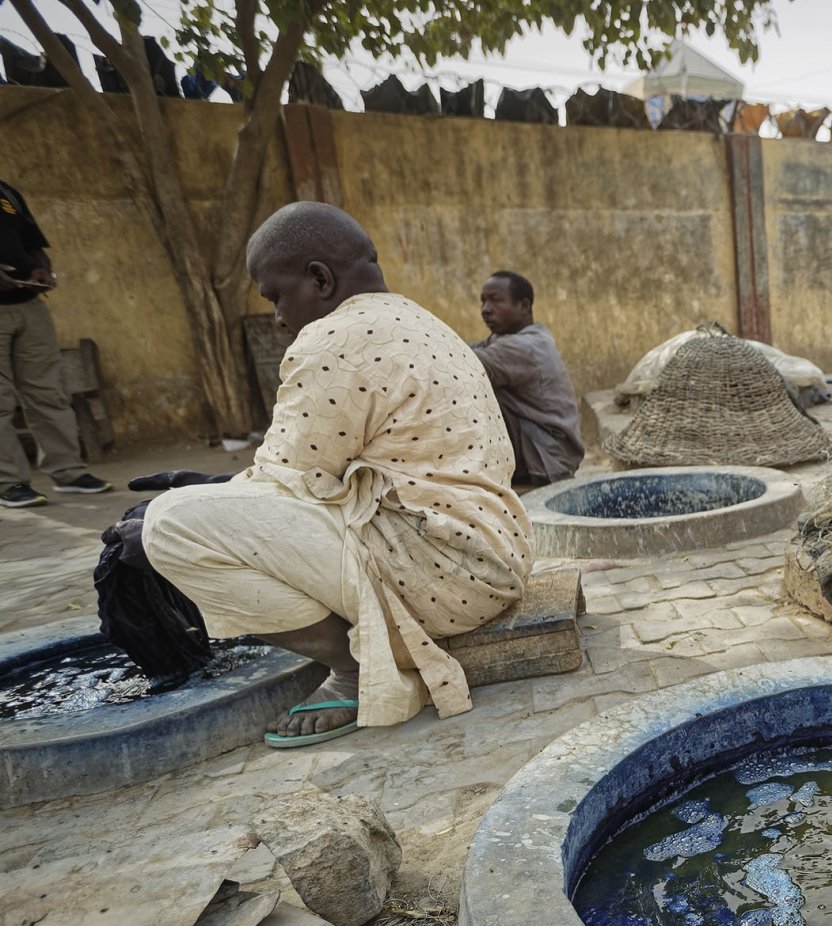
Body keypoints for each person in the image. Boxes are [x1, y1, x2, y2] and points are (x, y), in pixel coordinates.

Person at [107, 202, 533, 747]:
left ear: (320, 279)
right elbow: (309, 472)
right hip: (494, 555)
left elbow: (283, 480)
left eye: (275, 296)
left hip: (441, 576)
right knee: (186, 511)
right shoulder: (422, 321)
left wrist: (182, 511)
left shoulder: (333, 340)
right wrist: (218, 487)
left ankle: (355, 671)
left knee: (165, 526)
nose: (280, 317)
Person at [0, 176, 111, 508]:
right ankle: (8, 482)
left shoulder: (7, 192)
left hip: (28, 305)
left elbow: (32, 241)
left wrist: (42, 270)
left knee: (48, 393)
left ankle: (69, 472)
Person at [471, 271, 585, 486]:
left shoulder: (526, 346)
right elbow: (467, 349)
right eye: (483, 302)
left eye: (496, 301)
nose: (486, 310)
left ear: (523, 306)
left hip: (547, 457)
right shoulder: (509, 338)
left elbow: (460, 362)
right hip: (536, 446)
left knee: (470, 388)